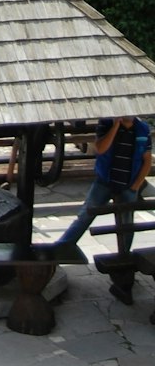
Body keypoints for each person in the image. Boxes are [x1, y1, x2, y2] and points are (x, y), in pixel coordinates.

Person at [57, 116, 151, 271]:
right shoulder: (106, 124)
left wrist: (136, 185)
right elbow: (100, 148)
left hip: (129, 183)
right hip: (105, 181)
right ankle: (62, 246)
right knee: (87, 213)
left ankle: (125, 257)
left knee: (127, 223)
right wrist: (115, 126)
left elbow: (146, 160)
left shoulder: (143, 129)